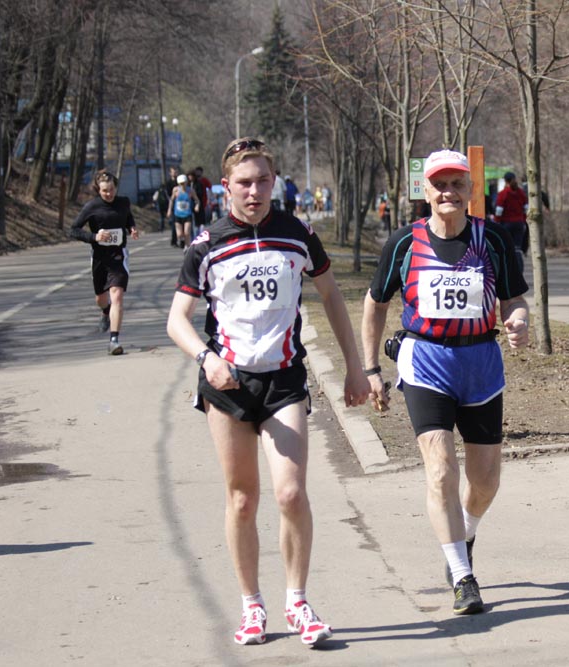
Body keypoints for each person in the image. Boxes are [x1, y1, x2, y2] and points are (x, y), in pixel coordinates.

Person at [166, 137, 370, 647]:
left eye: (262, 181)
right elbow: (177, 321)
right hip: (228, 386)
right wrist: (207, 359)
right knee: (242, 499)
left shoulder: (297, 234)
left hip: (283, 380)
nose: (253, 191)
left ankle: (297, 602)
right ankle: (251, 605)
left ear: (273, 182)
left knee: (290, 493)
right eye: (244, 183)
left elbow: (331, 297)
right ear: (226, 186)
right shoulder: (207, 244)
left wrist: (355, 369)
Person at [360, 149, 530, 615]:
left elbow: (515, 300)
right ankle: (462, 576)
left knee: (485, 481)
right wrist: (371, 369)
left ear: (470, 190)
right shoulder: (405, 242)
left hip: (480, 365)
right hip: (426, 361)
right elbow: (375, 303)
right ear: (426, 190)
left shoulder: (492, 238)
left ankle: (465, 533)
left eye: (457, 184)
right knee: (440, 470)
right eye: (439, 184)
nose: (448, 192)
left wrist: (518, 321)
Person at [69, 170, 139, 355]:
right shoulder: (92, 206)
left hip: (118, 256)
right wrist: (94, 237)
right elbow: (73, 230)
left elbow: (127, 217)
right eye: (104, 191)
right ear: (98, 190)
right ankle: (105, 312)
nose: (108, 194)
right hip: (100, 257)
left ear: (116, 187)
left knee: (117, 295)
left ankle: (114, 341)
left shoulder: (123, 202)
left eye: (111, 190)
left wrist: (131, 227)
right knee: (101, 299)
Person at [494, 171, 529, 273]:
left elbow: (499, 210)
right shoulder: (521, 193)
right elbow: (526, 208)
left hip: (506, 224)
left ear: (505, 181)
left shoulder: (503, 194)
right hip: (519, 224)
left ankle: (509, 272)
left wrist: (496, 222)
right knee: (517, 249)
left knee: (507, 248)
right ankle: (519, 271)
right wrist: (523, 220)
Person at [166, 173, 198, 249]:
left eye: (184, 183)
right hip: (178, 214)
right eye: (181, 183)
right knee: (179, 234)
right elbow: (171, 200)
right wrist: (169, 210)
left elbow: (197, 200)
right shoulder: (176, 190)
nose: (182, 185)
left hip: (187, 214)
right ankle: (182, 241)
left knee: (187, 233)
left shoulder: (190, 190)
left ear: (186, 182)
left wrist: (197, 206)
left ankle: (188, 247)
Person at [163, 166, 181, 247]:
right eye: (173, 172)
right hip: (174, 205)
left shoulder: (180, 182)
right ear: (170, 173)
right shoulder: (168, 183)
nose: (174, 173)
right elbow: (169, 196)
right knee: (174, 224)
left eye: (176, 172)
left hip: (182, 205)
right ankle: (174, 241)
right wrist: (169, 208)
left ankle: (183, 241)